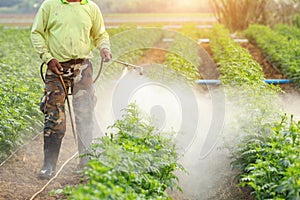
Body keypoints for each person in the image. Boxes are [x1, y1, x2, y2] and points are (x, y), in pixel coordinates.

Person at [31, 0, 112, 180]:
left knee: (85, 115)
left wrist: (104, 48)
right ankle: (49, 166)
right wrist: (48, 58)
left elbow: (100, 34)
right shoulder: (50, 5)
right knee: (54, 116)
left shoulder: (90, 7)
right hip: (56, 67)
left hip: (83, 69)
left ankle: (85, 164)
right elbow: (36, 33)